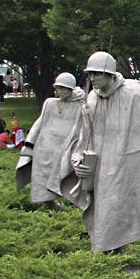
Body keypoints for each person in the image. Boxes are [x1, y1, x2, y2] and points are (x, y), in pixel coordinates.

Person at [58, 51, 140, 269]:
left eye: (98, 74)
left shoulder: (136, 92)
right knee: (109, 209)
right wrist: (77, 158)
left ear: (110, 74)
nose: (94, 79)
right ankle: (113, 252)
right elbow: (83, 135)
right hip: (106, 167)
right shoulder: (91, 99)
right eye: (91, 74)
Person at [15, 72, 86, 206]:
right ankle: (50, 204)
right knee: (41, 180)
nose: (59, 92)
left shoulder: (80, 107)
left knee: (65, 177)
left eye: (63, 88)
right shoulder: (50, 103)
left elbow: (80, 129)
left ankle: (73, 204)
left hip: (65, 148)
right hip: (44, 147)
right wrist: (29, 143)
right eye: (57, 88)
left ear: (71, 88)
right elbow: (39, 123)